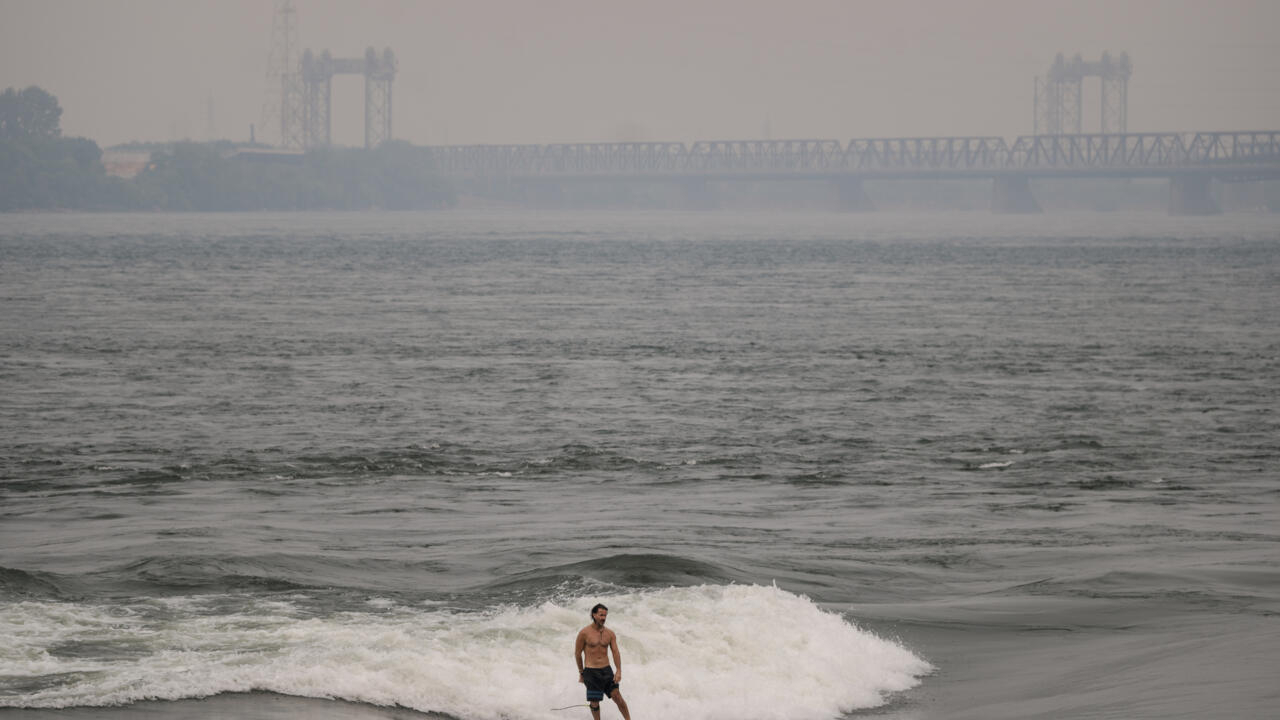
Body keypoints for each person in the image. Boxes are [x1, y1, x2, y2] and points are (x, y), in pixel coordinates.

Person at [574, 603, 632, 720]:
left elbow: (615, 652)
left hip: (606, 670)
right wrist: (581, 672)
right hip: (591, 672)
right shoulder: (584, 633)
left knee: (617, 697)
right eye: (601, 615)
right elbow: (577, 653)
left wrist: (619, 670)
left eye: (605, 615)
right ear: (594, 615)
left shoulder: (610, 633)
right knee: (594, 703)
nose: (603, 618)